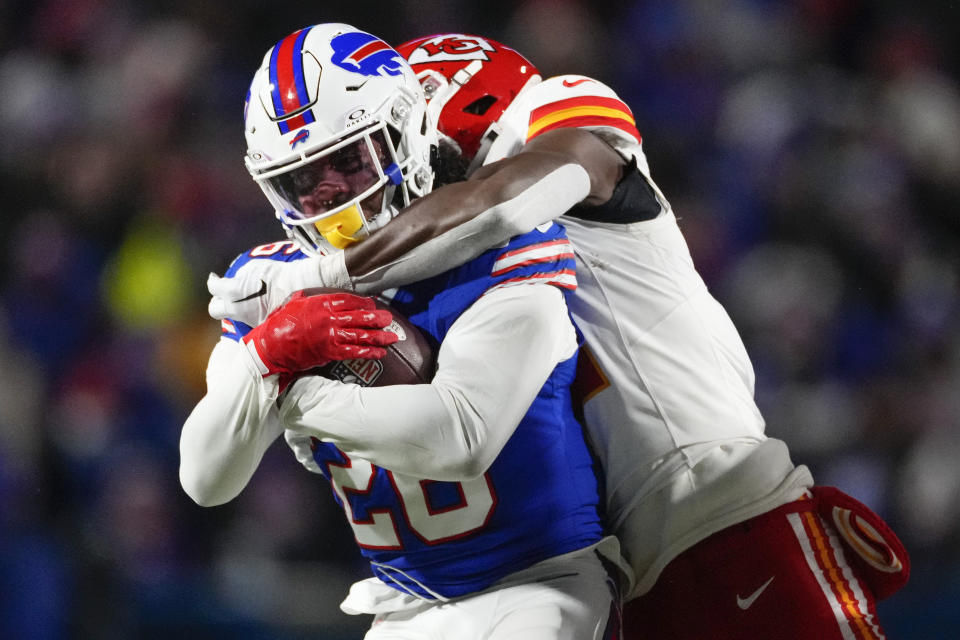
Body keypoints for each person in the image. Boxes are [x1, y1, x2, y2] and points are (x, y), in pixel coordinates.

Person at [207, 31, 911, 639]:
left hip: (715, 509)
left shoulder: (554, 123)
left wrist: (321, 277)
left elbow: (500, 203)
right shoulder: (420, 257)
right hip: (608, 572)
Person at [179, 23, 623, 639]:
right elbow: (204, 478)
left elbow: (462, 437)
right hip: (405, 602)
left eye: (348, 161)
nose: (331, 196)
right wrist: (264, 355)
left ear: (409, 132)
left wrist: (299, 393)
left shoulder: (503, 246)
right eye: (303, 182)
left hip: (538, 587)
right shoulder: (270, 282)